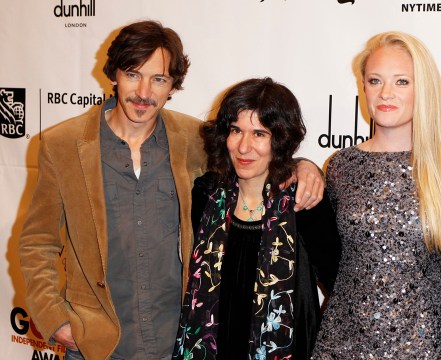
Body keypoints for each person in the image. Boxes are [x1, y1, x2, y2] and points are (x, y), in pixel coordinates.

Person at [18, 21, 323, 360]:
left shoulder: (195, 140)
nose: (144, 92)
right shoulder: (62, 146)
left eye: (159, 79)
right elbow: (37, 242)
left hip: (177, 339)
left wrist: (301, 165)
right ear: (114, 74)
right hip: (95, 343)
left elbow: (253, 151)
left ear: (173, 85)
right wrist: (53, 316)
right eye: (133, 74)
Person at [312, 31, 441, 358]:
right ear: (363, 87)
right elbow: (324, 254)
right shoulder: (341, 166)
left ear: (424, 89)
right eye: (375, 80)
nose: (386, 93)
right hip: (341, 342)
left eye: (402, 82)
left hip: (420, 345)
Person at [171, 77, 341, 360]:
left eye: (260, 134)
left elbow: (342, 285)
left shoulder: (304, 203)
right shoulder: (207, 195)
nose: (244, 146)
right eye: (236, 130)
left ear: (281, 140)